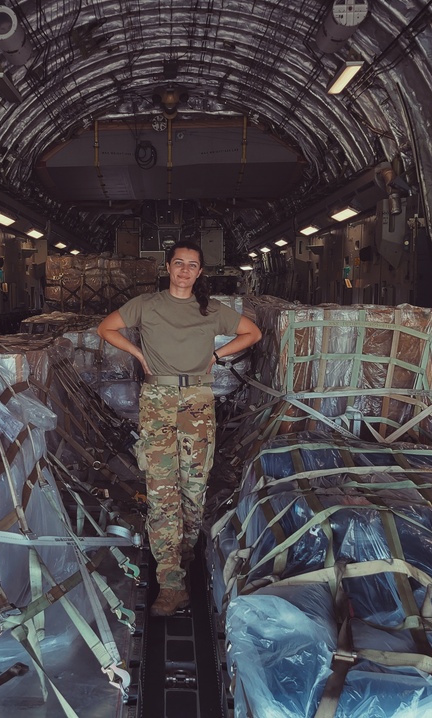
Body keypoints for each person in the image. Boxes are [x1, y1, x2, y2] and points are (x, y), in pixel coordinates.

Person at [97, 241, 262, 616]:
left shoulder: (211, 310)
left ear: (200, 272)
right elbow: (106, 327)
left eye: (192, 265)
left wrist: (217, 356)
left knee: (193, 486)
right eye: (179, 263)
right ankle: (170, 582)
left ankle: (183, 559)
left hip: (198, 404)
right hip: (157, 401)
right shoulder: (147, 305)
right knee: (160, 488)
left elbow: (252, 333)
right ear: (168, 268)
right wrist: (139, 354)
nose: (185, 270)